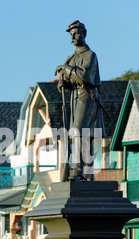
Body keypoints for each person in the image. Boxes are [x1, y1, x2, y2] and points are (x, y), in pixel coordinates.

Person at [55, 20, 105, 181]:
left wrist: (65, 69)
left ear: (84, 34)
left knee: (79, 131)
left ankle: (78, 170)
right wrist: (63, 83)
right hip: (75, 97)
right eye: (71, 35)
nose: (73, 38)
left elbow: (84, 76)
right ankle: (87, 173)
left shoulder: (91, 56)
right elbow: (71, 80)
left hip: (87, 95)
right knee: (80, 134)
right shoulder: (71, 58)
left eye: (76, 33)